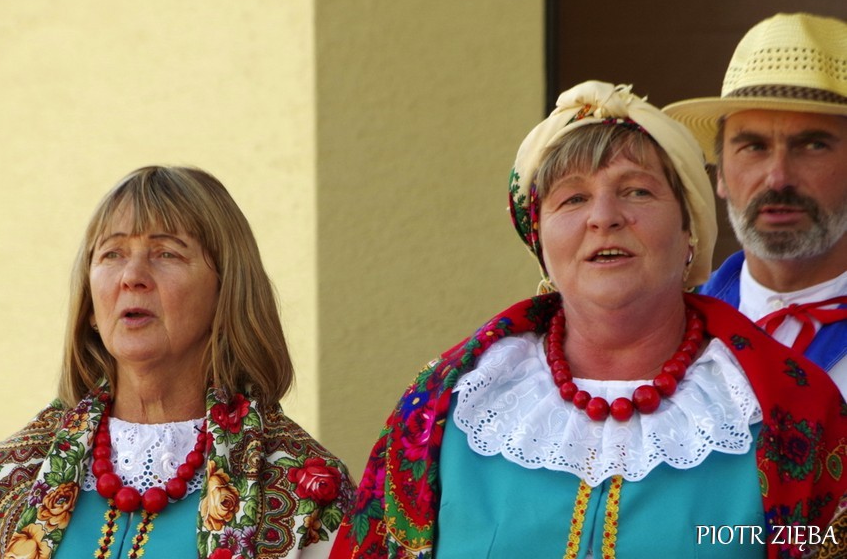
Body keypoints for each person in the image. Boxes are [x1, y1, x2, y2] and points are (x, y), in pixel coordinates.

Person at [330, 81, 846, 558]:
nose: (604, 217)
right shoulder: (445, 407)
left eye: (638, 191)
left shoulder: (791, 410)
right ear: (541, 243)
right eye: (573, 198)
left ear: (689, 230)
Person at [0, 166, 353, 559]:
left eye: (166, 253)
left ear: (226, 291)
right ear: (91, 306)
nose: (132, 276)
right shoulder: (2, 481)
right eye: (112, 253)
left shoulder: (309, 491)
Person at [664, 10, 847, 559]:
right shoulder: (668, 333)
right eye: (752, 146)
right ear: (720, 174)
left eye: (812, 145)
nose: (778, 177)